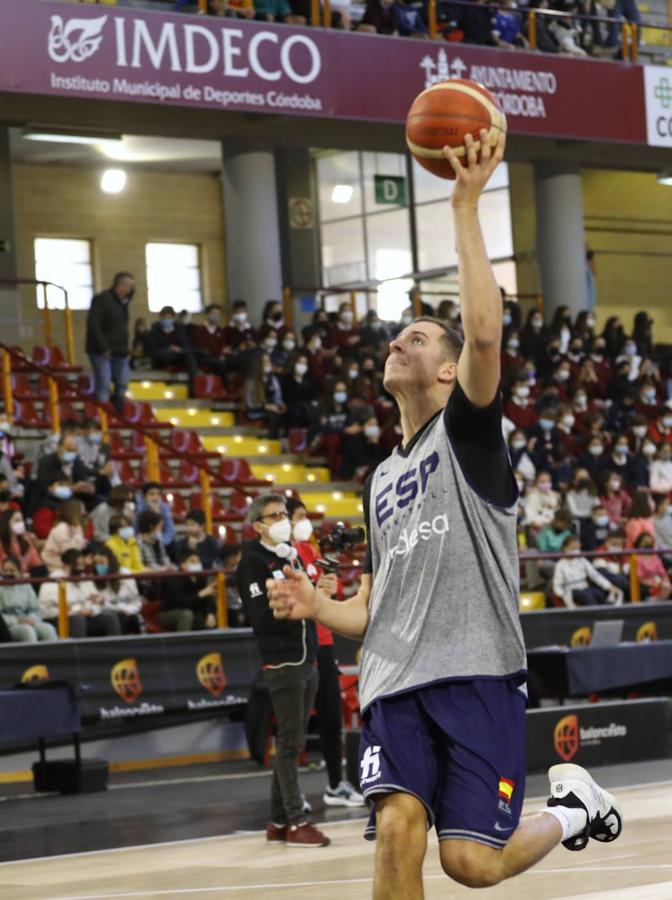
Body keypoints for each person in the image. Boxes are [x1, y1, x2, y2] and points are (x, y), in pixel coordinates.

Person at [266, 133, 622, 890]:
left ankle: (572, 808)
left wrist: (463, 202)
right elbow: (377, 610)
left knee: (470, 863)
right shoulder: (377, 478)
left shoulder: (467, 434)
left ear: (452, 368)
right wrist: (315, 603)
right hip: (394, 684)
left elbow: (487, 330)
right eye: (398, 336)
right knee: (397, 826)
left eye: (418, 337)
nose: (397, 341)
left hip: (477, 676)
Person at [236, 493, 329, 848]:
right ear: (258, 525)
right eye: (274, 515)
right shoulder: (252, 562)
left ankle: (277, 821)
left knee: (294, 741)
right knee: (290, 745)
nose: (283, 520)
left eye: (284, 514)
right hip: (283, 661)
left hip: (306, 657)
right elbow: (260, 617)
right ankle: (297, 819)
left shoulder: (290, 555)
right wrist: (291, 599)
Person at [286, 497, 364, 808]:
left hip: (325, 641)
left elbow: (326, 599)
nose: (304, 522)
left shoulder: (311, 552)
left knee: (332, 716)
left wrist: (327, 594)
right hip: (299, 643)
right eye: (299, 516)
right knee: (296, 722)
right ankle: (290, 795)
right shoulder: (285, 557)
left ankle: (335, 783)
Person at [39, 548, 122, 637]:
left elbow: (95, 601)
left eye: (82, 565)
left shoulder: (84, 579)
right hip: (60, 619)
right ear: (66, 565)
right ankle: (78, 650)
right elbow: (47, 609)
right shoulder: (53, 581)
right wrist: (76, 611)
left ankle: (115, 649)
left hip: (84, 617)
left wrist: (91, 610)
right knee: (78, 620)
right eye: (77, 565)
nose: (81, 568)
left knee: (110, 618)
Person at [85, 272, 135, 414]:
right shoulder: (102, 299)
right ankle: (103, 416)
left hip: (120, 351)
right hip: (102, 352)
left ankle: (118, 414)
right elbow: (93, 325)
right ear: (120, 284)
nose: (130, 290)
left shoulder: (124, 303)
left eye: (132, 287)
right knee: (104, 384)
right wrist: (102, 347)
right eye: (128, 286)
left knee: (122, 384)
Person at [0, 555, 57, 642]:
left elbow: (35, 609)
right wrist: (17, 621)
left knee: (48, 629)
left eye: (12, 571)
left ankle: (54, 655)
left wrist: (31, 619)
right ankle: (31, 656)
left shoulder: (26, 585)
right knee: (27, 631)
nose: (8, 573)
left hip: (28, 621)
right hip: (9, 626)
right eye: (5, 571)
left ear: (20, 572)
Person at [158, 548, 217, 632]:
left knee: (213, 616)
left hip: (193, 612)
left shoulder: (200, 578)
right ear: (183, 565)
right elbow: (181, 602)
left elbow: (207, 599)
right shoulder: (173, 579)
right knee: (186, 614)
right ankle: (182, 644)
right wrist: (201, 593)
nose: (197, 564)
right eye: (193, 562)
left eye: (198, 561)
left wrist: (209, 613)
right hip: (168, 612)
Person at [41, 499, 89, 572]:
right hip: (54, 568)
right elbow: (70, 553)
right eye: (82, 510)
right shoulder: (62, 528)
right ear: (74, 511)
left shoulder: (73, 527)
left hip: (65, 567)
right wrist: (79, 536)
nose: (84, 513)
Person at [0, 509, 43, 574]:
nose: (20, 523)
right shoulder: (1, 544)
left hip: (25, 579)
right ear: (6, 523)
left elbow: (37, 565)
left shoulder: (26, 540)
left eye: (21, 520)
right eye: (17, 520)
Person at [633, 532, 671, 600]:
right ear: (639, 544)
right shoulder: (636, 558)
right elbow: (640, 577)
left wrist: (665, 581)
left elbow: (663, 573)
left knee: (667, 586)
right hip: (644, 586)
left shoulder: (655, 557)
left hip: (657, 583)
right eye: (645, 542)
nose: (648, 544)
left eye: (650, 542)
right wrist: (652, 584)